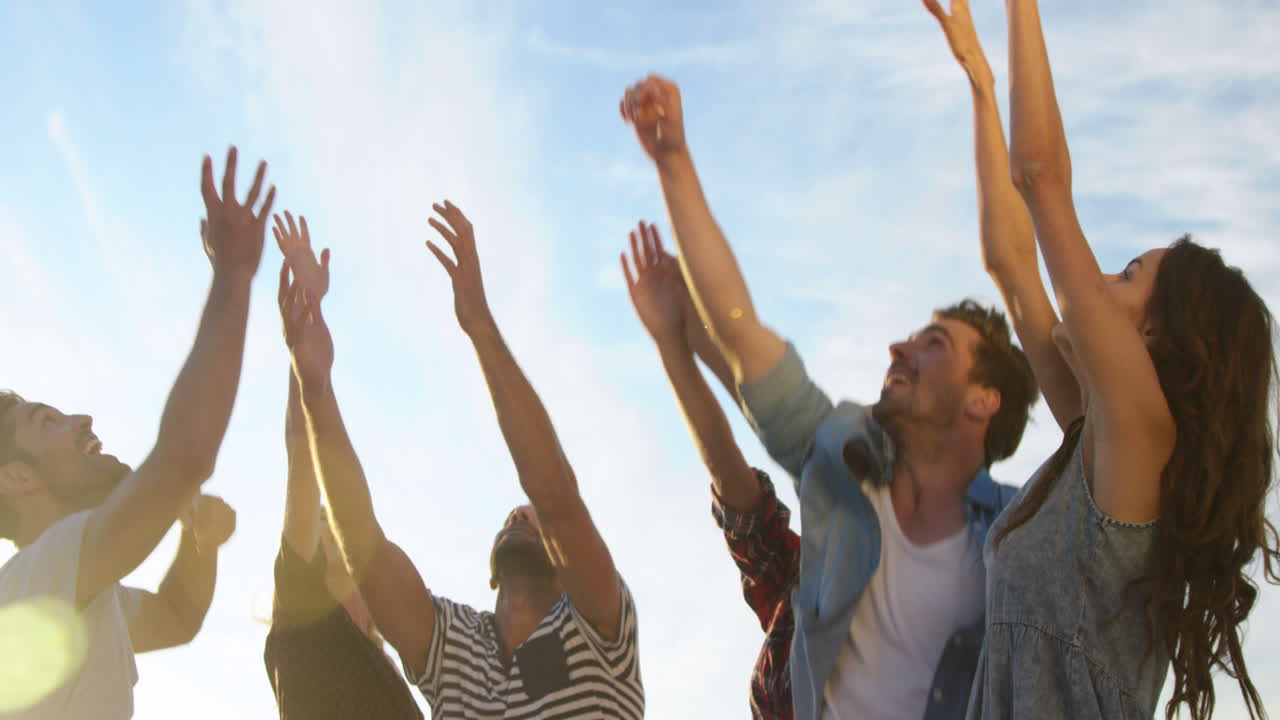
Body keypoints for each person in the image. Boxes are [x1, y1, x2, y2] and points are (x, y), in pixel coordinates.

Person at [620, 77, 1038, 720]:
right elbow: (741, 334)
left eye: (934, 344)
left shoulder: (1021, 539)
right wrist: (673, 161)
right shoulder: (839, 464)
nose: (899, 348)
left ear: (983, 401)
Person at [924, 2, 1280, 719]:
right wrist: (982, 80)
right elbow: (1011, 261)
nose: (1094, 288)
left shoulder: (1142, 441)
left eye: (1123, 276)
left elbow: (1041, 176)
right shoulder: (1094, 449)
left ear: (1150, 340)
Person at [279, 200, 643, 719]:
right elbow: (363, 546)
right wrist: (315, 386)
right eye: (514, 515)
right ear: (490, 576)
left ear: (568, 565)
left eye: (533, 518)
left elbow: (556, 495)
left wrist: (478, 324)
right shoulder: (455, 646)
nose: (520, 514)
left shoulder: (600, 628)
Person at [0, 146, 269, 719]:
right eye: (46, 421)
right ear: (17, 477)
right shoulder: (37, 577)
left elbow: (177, 617)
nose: (84, 420)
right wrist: (234, 275)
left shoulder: (77, 588)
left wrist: (199, 547)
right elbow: (183, 459)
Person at [622, 221, 799, 719]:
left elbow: (798, 435)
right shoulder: (803, 583)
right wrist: (675, 337)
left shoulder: (951, 580)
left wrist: (693, 332)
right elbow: (728, 467)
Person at [262, 212, 423, 719]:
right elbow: (299, 448)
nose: (335, 536)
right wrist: (307, 320)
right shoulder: (304, 626)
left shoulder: (391, 663)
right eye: (325, 535)